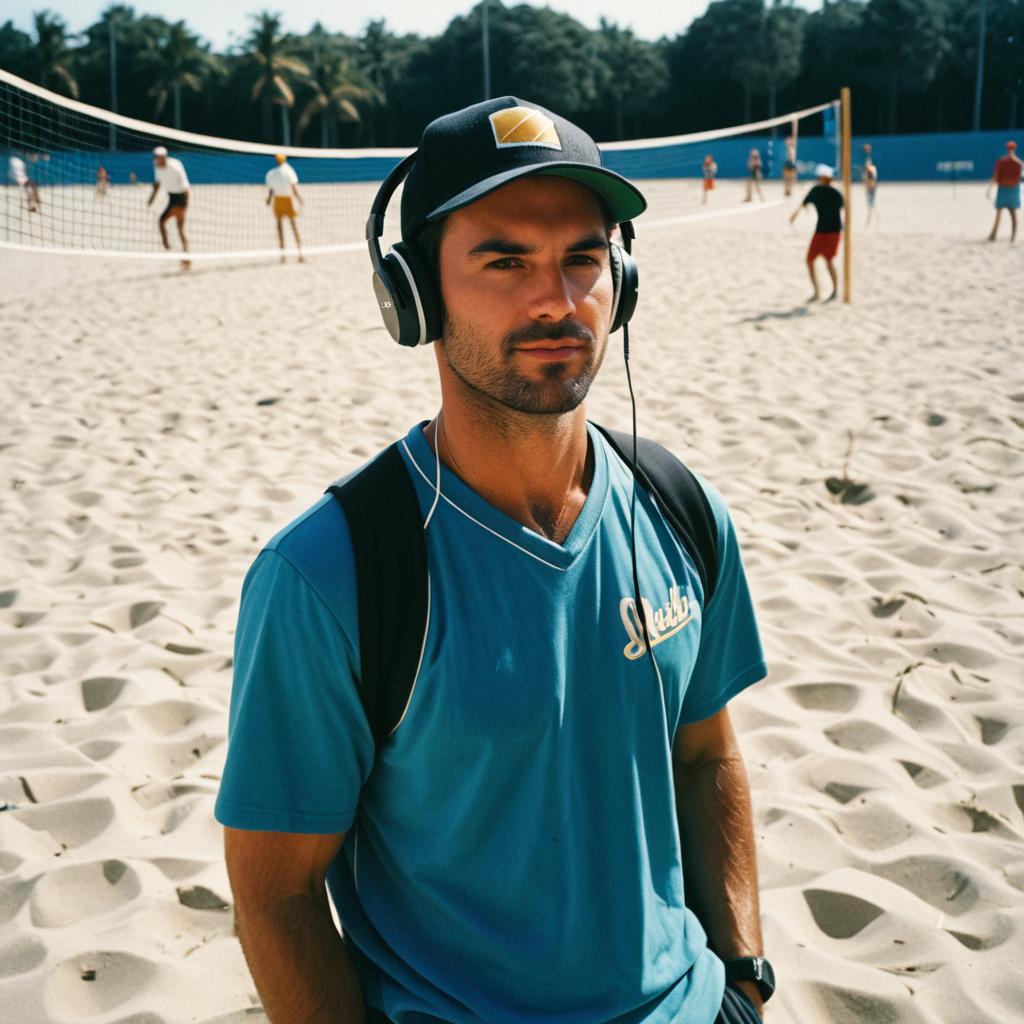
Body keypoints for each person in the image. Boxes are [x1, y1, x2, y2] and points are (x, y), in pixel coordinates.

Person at [216, 96, 772, 1024]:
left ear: (621, 280)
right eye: (504, 259)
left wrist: (746, 975)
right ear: (414, 294)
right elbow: (274, 893)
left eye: (583, 258)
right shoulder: (330, 576)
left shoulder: (681, 509)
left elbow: (707, 756)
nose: (555, 298)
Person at [790, 163, 843, 303]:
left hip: (832, 231)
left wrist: (795, 215)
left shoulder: (832, 193)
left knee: (827, 261)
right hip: (825, 230)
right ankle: (819, 292)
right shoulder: (821, 191)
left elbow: (844, 208)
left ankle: (832, 291)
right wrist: (795, 215)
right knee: (812, 260)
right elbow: (803, 204)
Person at [147, 145, 191, 269]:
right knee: (165, 223)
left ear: (164, 157)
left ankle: (185, 257)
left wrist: (184, 205)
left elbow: (186, 188)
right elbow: (157, 185)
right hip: (172, 198)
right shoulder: (157, 166)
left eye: (158, 157)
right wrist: (151, 199)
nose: (156, 159)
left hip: (181, 198)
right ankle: (169, 246)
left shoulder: (175, 166)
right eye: (155, 157)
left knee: (177, 227)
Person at [264, 153, 304, 262]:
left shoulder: (272, 173)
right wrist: (300, 199)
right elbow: (294, 189)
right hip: (287, 200)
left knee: (280, 228)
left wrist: (268, 200)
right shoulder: (289, 171)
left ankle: (283, 256)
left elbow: (271, 190)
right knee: (293, 226)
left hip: (278, 200)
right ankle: (300, 253)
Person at [987, 140, 1021, 243]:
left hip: (1005, 189)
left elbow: (995, 176)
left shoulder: (1002, 161)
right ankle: (1012, 237)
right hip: (1012, 188)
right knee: (1012, 214)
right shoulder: (1017, 162)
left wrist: (989, 188)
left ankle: (994, 235)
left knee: (1000, 212)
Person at [862, 144, 878, 227]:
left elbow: (871, 179)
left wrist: (868, 186)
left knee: (870, 204)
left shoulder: (871, 169)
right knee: (871, 203)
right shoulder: (871, 168)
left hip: (871, 186)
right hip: (871, 186)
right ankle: (872, 219)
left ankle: (871, 219)